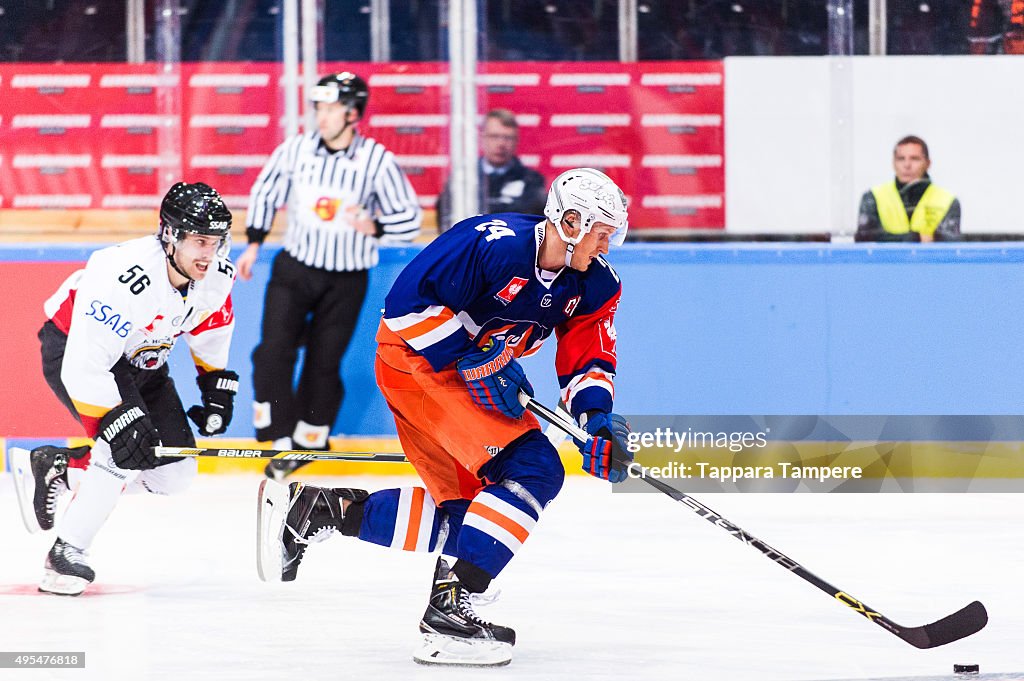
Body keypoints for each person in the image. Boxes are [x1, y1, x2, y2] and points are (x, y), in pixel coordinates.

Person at [256, 168, 634, 666]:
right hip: (417, 362)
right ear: (569, 221)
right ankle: (449, 610)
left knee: (473, 522)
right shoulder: (489, 241)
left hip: (468, 371)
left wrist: (597, 421)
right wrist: (468, 360)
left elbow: (588, 359)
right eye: (601, 233)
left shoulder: (596, 284)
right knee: (534, 469)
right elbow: (404, 308)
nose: (606, 246)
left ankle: (318, 511)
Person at [10, 182, 240, 596]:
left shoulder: (217, 274)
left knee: (174, 473)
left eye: (217, 241)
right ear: (170, 235)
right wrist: (118, 420)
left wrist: (215, 388)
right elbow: (86, 364)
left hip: (141, 360)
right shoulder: (121, 275)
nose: (210, 253)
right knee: (123, 447)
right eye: (200, 241)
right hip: (74, 349)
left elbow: (211, 325)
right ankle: (65, 553)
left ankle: (60, 466)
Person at [237, 71, 421, 480]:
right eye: (319, 107)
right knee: (272, 352)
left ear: (353, 113)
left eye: (332, 108)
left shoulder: (376, 159)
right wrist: (253, 242)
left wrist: (374, 226)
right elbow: (265, 191)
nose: (322, 116)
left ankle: (308, 440)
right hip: (295, 267)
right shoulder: (296, 150)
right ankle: (277, 437)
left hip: (346, 278)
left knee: (324, 362)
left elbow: (409, 216)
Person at [435, 108, 546, 233]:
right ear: (482, 138)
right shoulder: (463, 178)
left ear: (516, 141)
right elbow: (446, 218)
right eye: (494, 136)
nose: (501, 144)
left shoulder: (531, 180)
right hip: (470, 247)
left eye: (507, 138)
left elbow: (529, 223)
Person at [855, 135, 961, 243]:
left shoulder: (947, 201)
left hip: (927, 260)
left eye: (915, 159)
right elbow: (864, 238)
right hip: (886, 260)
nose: (907, 165)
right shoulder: (873, 197)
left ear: (928, 164)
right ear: (893, 163)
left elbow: (949, 243)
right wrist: (916, 238)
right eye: (901, 159)